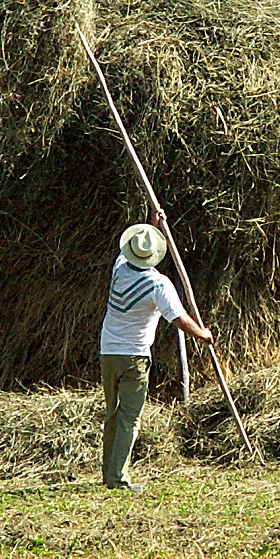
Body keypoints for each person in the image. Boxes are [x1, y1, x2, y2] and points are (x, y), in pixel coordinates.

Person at [100, 209, 213, 490]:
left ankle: (109, 473)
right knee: (129, 418)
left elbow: (138, 249)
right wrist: (203, 334)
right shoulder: (158, 284)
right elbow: (179, 319)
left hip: (108, 352)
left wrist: (151, 224)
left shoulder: (120, 266)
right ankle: (118, 479)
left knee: (113, 414)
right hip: (135, 356)